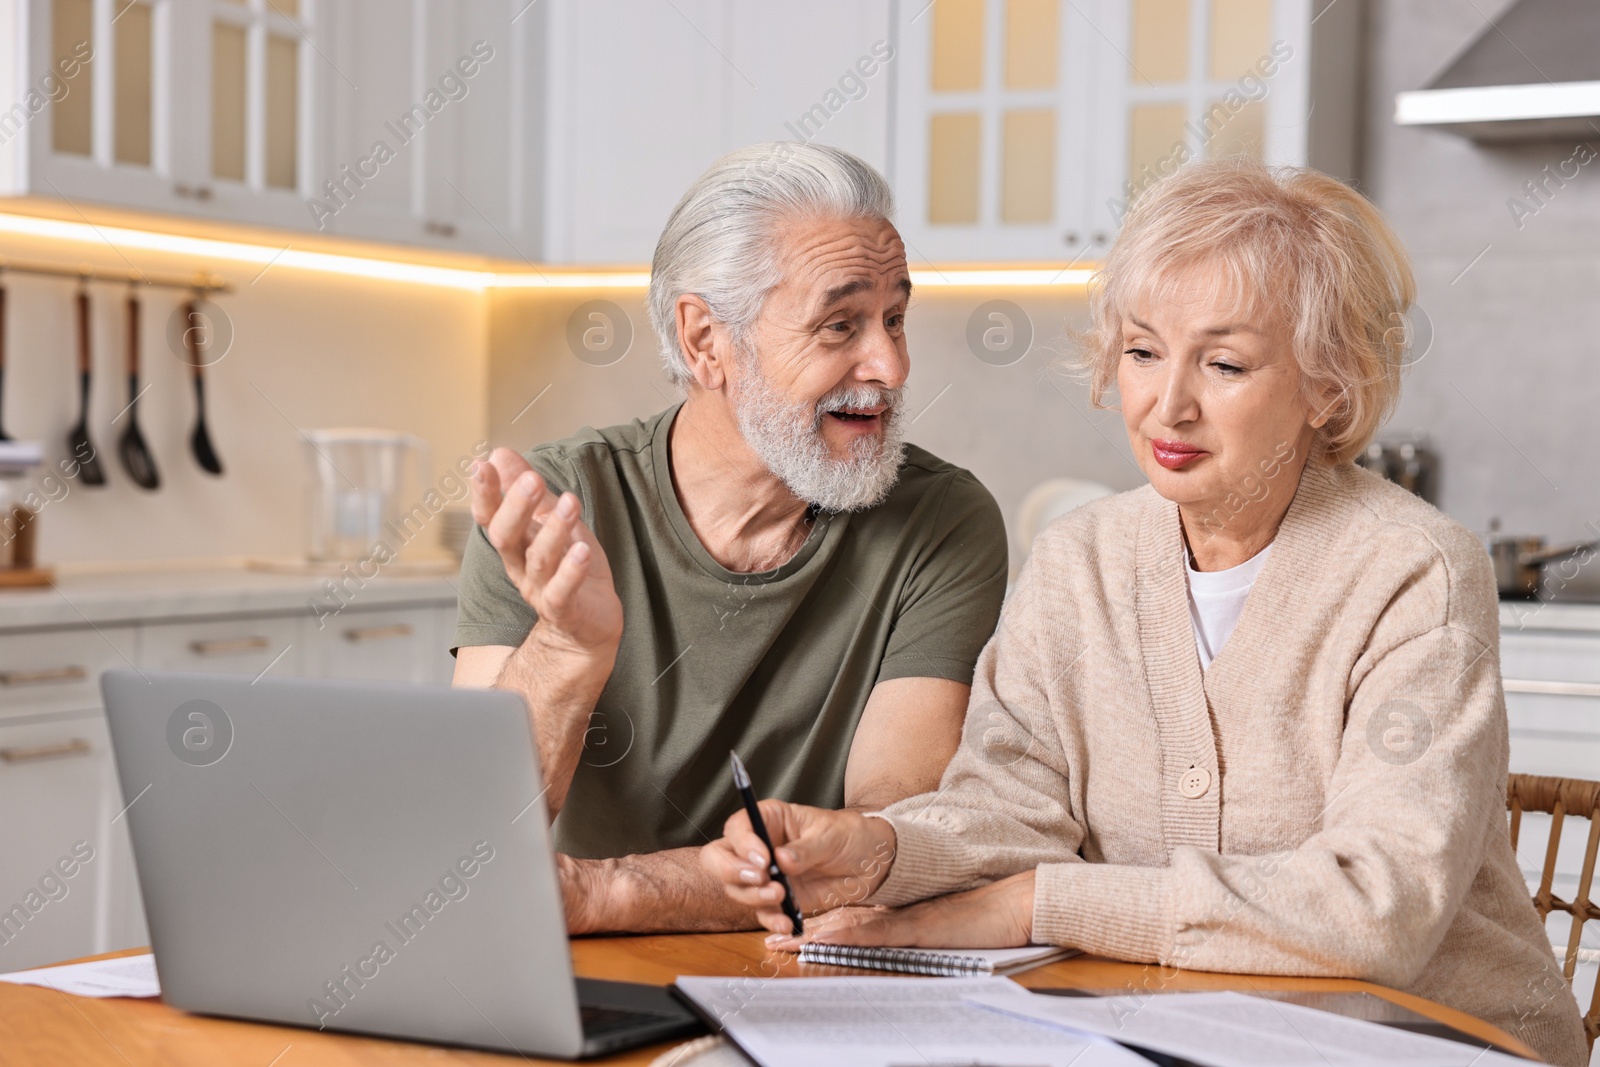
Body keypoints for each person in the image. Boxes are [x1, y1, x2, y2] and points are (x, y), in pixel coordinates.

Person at [702, 159, 1589, 1067]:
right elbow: (1011, 804)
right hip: (1173, 1034)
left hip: (1438, 1042)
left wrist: (1036, 906)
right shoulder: (1080, 558)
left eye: (1226, 362)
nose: (1170, 404)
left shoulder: (1415, 569)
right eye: (1142, 351)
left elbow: (1373, 908)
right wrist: (880, 850)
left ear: (1328, 384)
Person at [453, 143, 1008, 936]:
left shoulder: (942, 523)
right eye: (840, 324)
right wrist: (569, 646)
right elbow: (470, 846)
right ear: (705, 341)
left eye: (894, 317)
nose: (889, 363)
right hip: (574, 975)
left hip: (804, 972)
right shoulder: (553, 512)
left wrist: (613, 893)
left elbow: (888, 848)